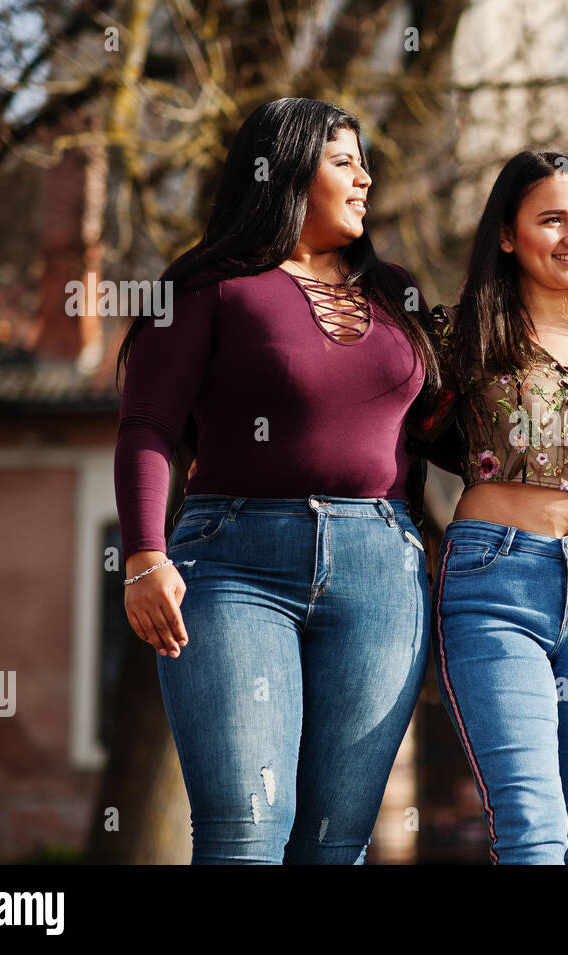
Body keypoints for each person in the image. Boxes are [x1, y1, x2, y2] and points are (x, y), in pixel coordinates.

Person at [115, 97, 438, 864]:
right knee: (248, 830)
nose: (367, 178)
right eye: (344, 161)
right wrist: (143, 556)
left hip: (382, 573)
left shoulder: (396, 292)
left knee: (337, 843)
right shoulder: (209, 287)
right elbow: (147, 424)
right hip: (234, 565)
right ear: (288, 170)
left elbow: (451, 424)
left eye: (365, 162)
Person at [415, 150, 568, 864]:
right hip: (496, 583)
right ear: (508, 235)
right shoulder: (457, 335)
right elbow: (385, 433)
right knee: (533, 829)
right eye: (551, 219)